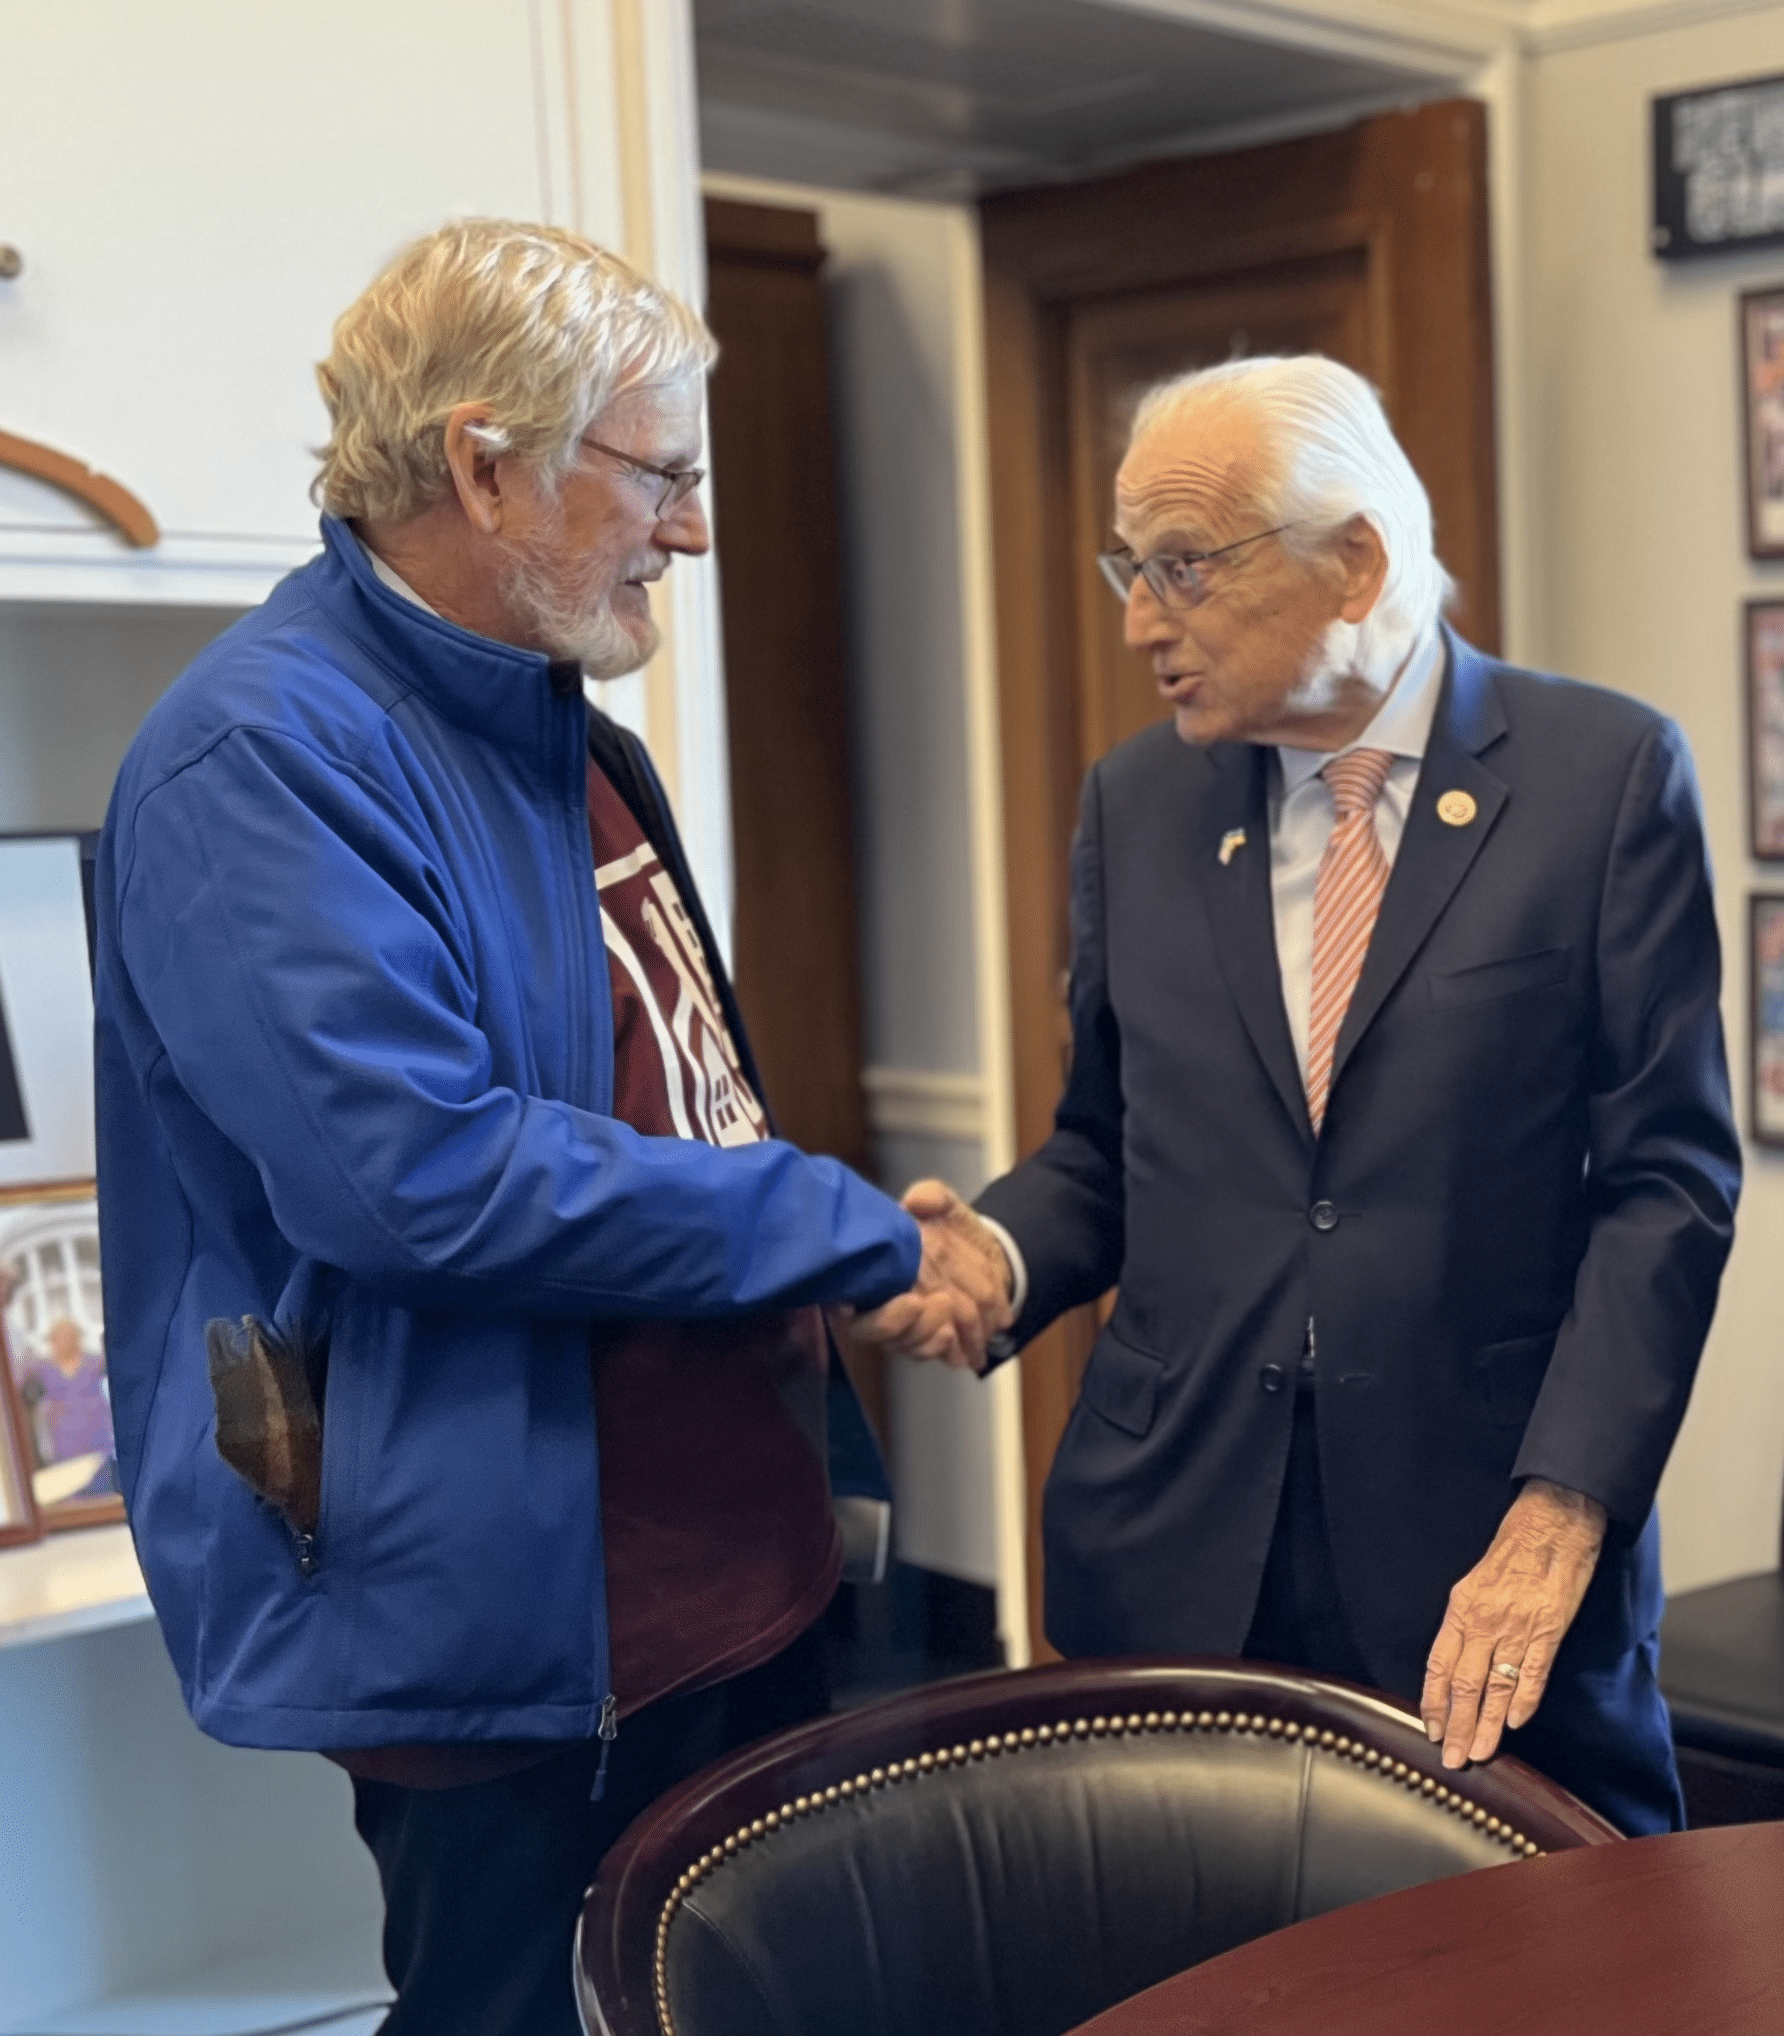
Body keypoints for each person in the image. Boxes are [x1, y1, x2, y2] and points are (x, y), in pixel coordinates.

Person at [93, 220, 1006, 2036]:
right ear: (484, 464)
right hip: (512, 1651)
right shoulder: (258, 759)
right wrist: (852, 1226)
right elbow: (417, 1183)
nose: (694, 527)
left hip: (732, 1580)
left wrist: (862, 1253)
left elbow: (673, 1097)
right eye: (660, 473)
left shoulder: (563, 726)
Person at [860, 354, 1741, 1836]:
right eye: (1129, 567)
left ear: (1356, 562)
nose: (1141, 620)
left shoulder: (1602, 777)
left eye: (1185, 568)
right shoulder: (1135, 802)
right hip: (1178, 1544)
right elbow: (1109, 1148)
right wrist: (992, 1259)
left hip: (1483, 1556)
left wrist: (1566, 1507)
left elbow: (1667, 1186)